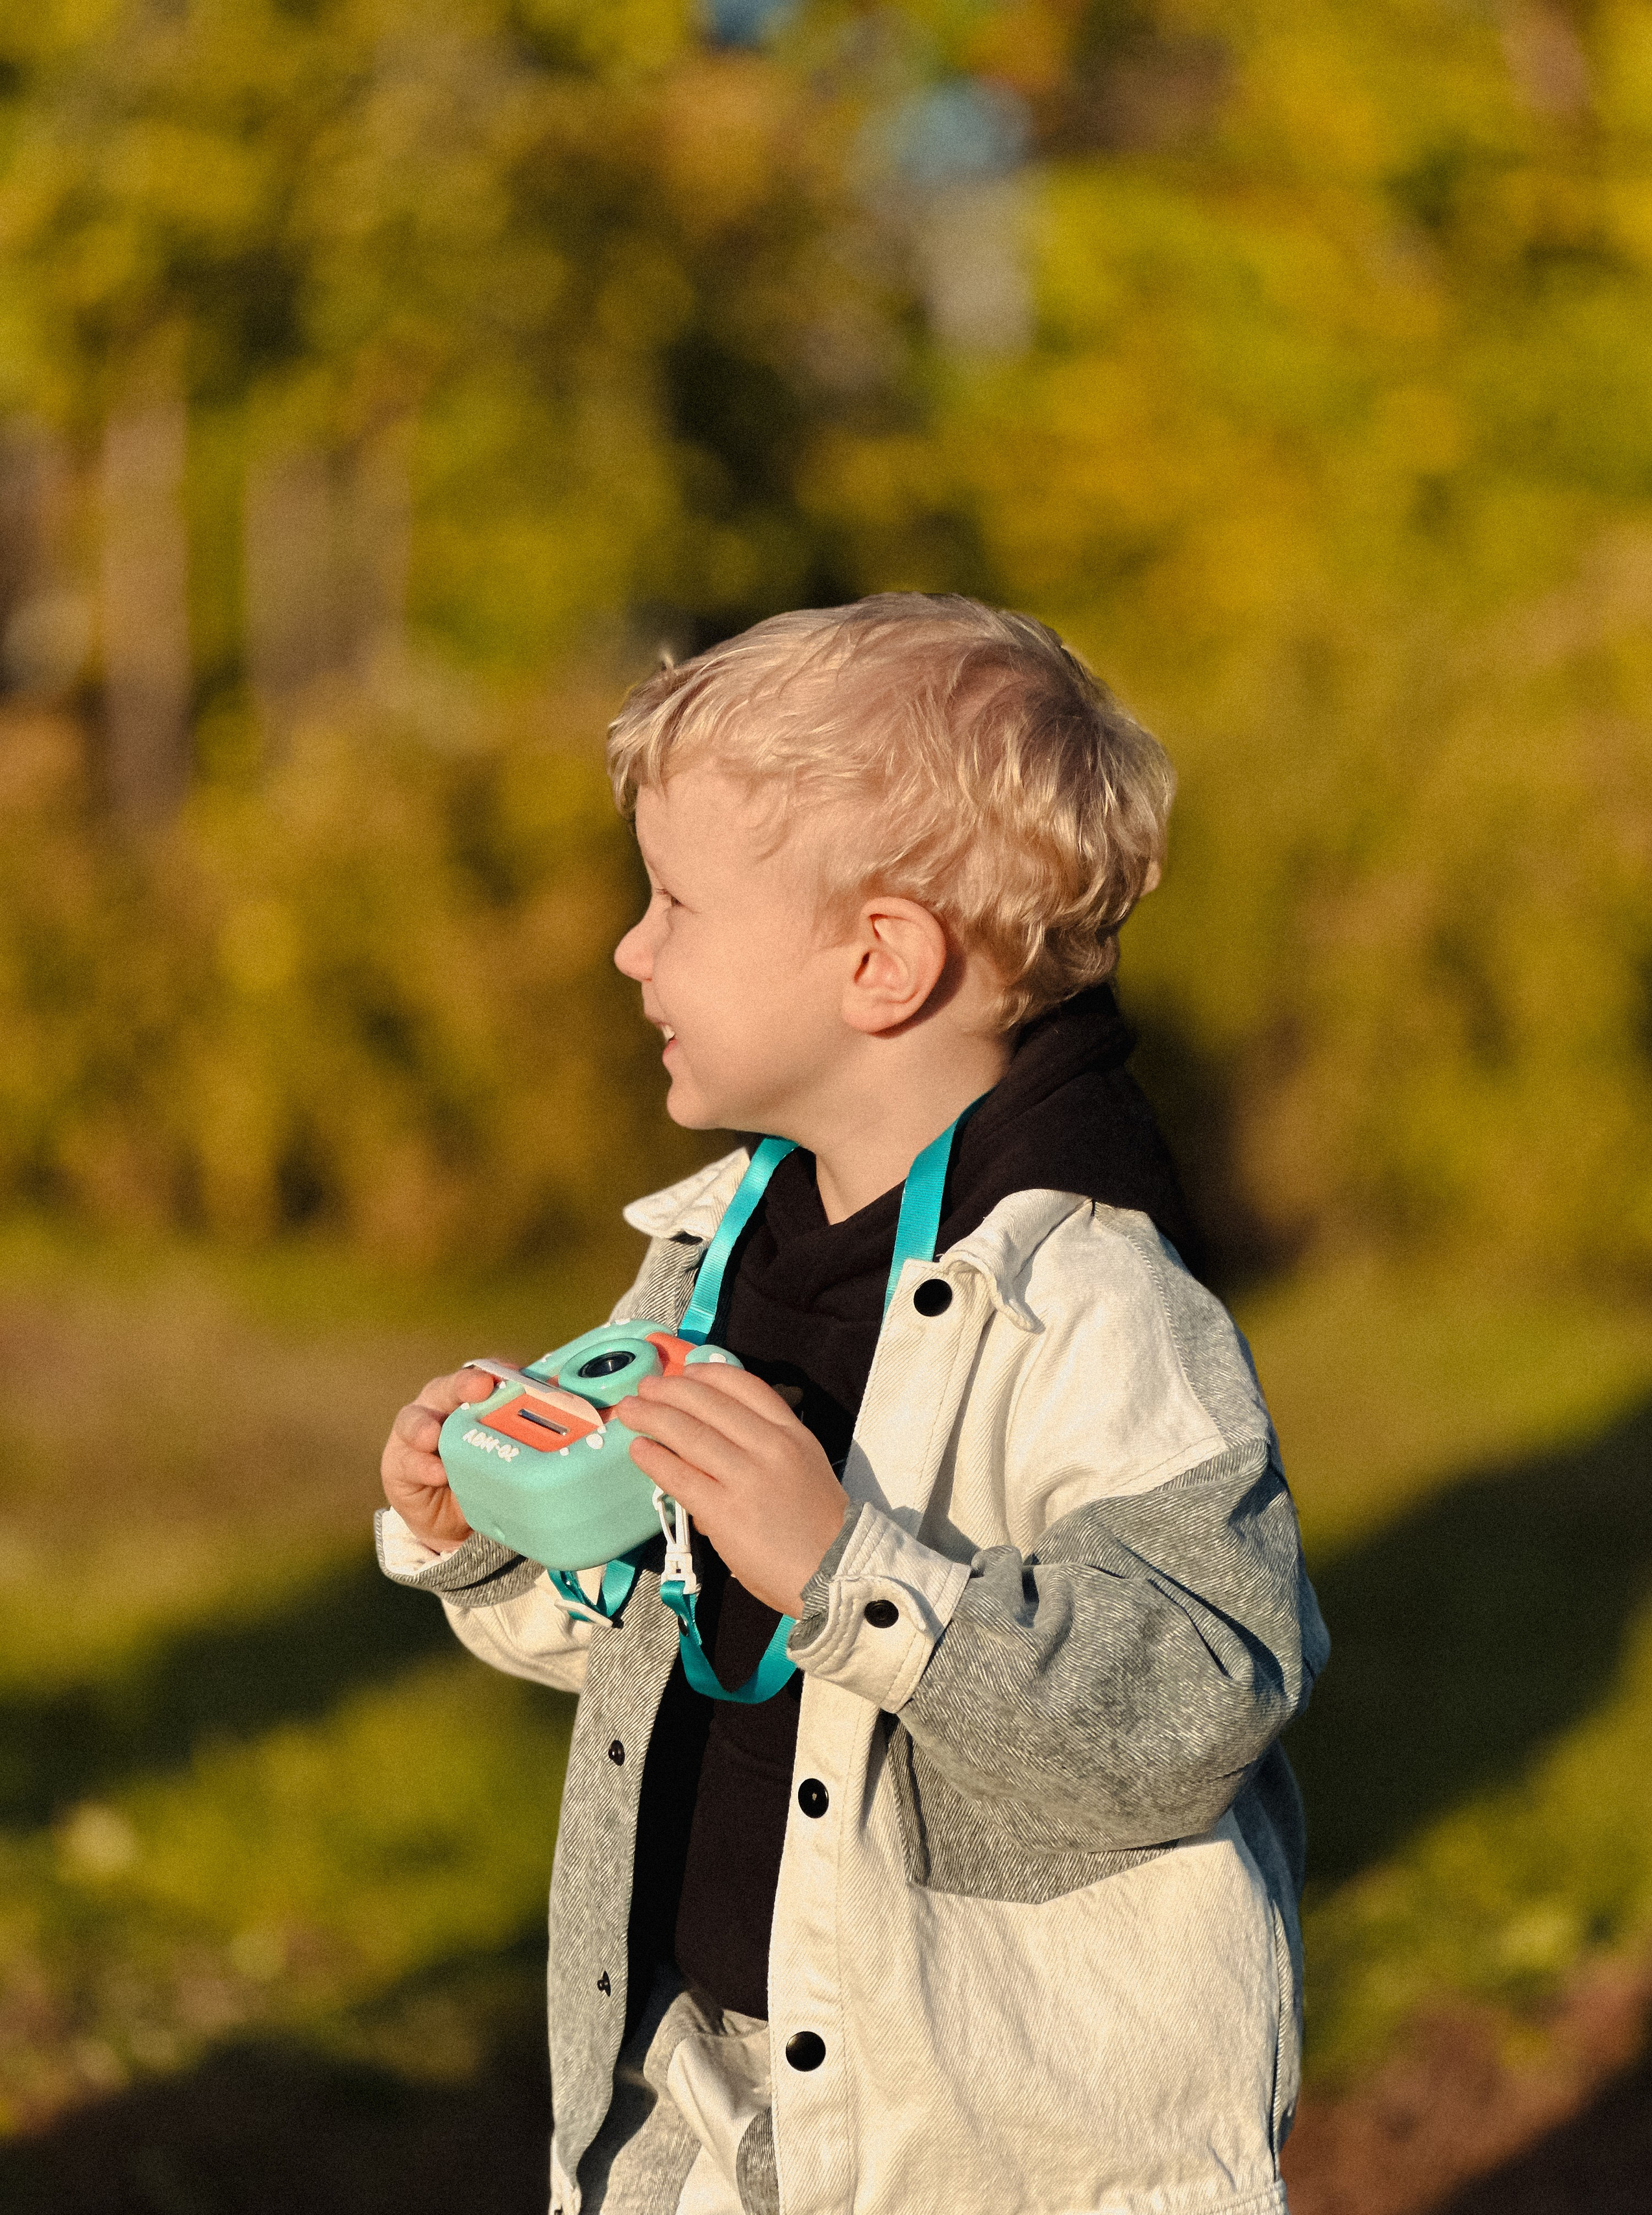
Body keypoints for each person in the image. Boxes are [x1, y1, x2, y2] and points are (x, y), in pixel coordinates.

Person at [376, 594, 1329, 2215]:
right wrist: (492, 1529)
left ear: (880, 962)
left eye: (674, 902)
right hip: (699, 2078)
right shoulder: (707, 1258)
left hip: (986, 2144)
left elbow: (1198, 1699)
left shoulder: (1091, 1304)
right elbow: (646, 1627)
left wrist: (849, 1573)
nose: (629, 948)